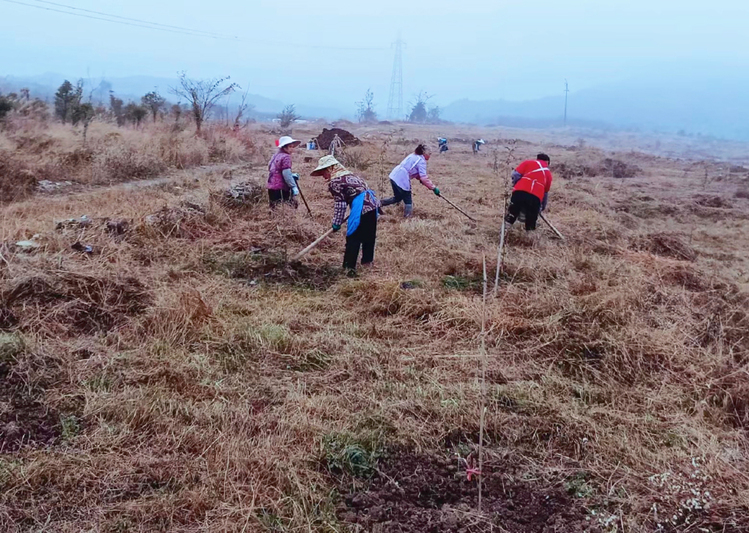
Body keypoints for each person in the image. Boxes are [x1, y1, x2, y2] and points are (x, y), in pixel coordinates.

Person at [311, 155, 380, 274]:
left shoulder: (335, 182)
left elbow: (340, 204)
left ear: (330, 169)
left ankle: (349, 268)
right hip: (373, 205)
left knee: (354, 237)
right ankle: (367, 263)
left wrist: (336, 223)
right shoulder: (351, 175)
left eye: (323, 172)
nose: (323, 176)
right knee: (369, 236)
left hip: (362, 207)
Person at [381, 144, 440, 218]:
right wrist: (433, 188)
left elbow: (415, 172)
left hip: (394, 175)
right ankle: (407, 217)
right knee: (408, 199)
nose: (430, 156)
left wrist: (420, 179)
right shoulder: (421, 161)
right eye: (429, 154)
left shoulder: (413, 155)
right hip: (402, 178)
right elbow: (424, 178)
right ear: (424, 153)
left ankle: (378, 204)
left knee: (398, 198)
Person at [505, 153, 553, 231]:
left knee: (512, 213)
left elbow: (515, 174)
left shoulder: (528, 162)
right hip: (536, 197)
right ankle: (529, 238)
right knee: (531, 219)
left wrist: (516, 184)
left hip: (519, 191)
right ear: (547, 162)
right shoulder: (548, 174)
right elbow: (545, 193)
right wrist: (542, 207)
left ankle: (505, 230)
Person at [267, 136, 301, 207]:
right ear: (284, 147)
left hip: (271, 186)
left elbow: (270, 167)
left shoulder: (275, 155)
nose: (292, 149)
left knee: (274, 207)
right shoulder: (286, 157)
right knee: (290, 206)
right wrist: (293, 186)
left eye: (293, 147)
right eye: (290, 147)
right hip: (281, 187)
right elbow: (286, 174)